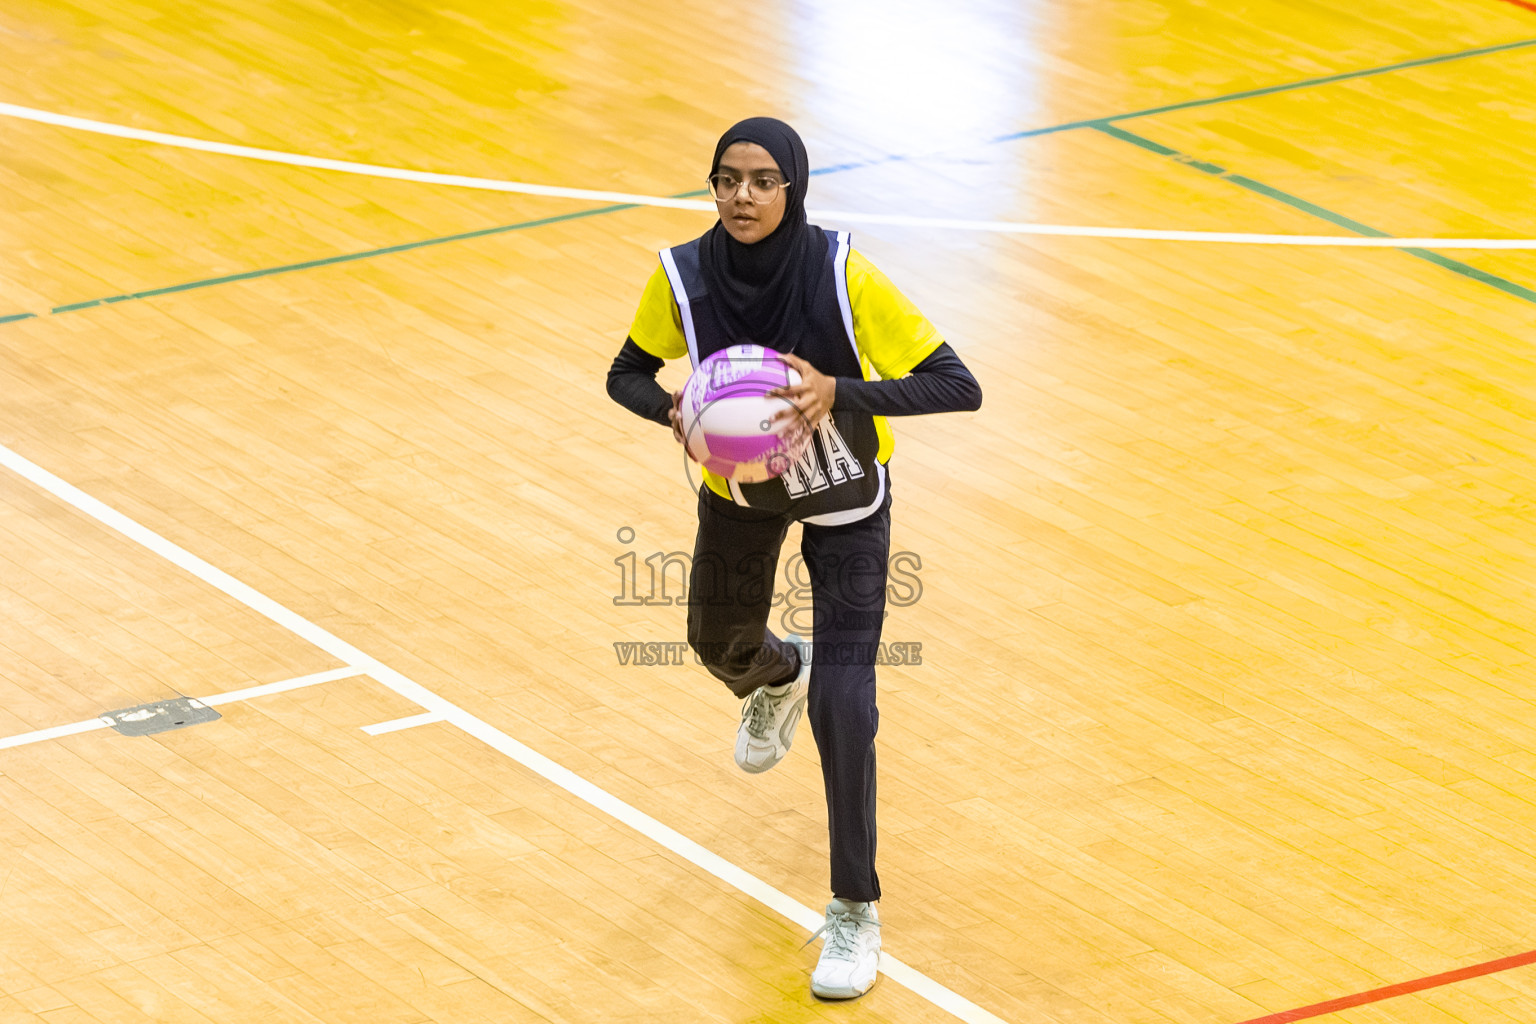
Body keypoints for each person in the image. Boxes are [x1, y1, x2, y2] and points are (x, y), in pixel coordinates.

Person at [606, 116, 981, 1000]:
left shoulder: (843, 274)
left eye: (763, 181)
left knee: (846, 707)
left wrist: (837, 391)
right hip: (742, 492)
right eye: (727, 179)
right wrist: (677, 409)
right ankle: (777, 677)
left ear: (793, 188)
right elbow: (625, 372)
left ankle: (855, 909)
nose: (742, 196)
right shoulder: (682, 277)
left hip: (846, 498)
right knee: (714, 641)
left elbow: (957, 384)